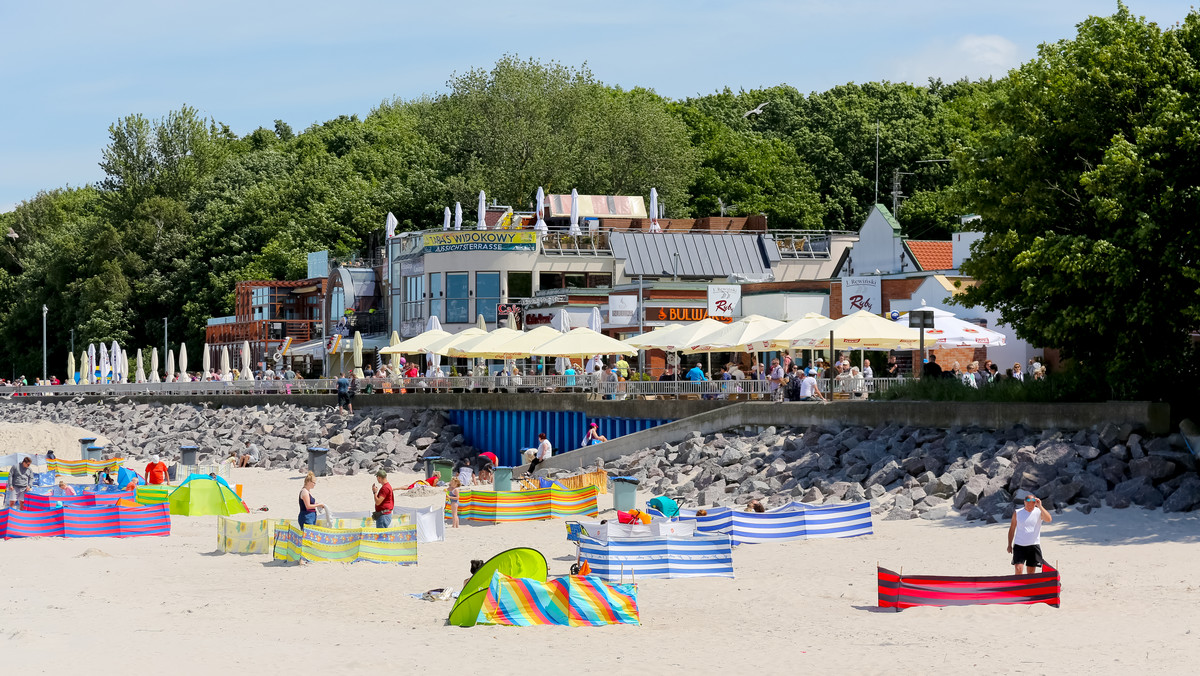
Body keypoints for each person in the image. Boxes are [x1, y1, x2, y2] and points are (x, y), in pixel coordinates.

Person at [1008, 495, 1053, 574]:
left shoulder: (1039, 512)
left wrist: (1040, 506)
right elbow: (1012, 529)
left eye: (1032, 504)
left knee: (1031, 571)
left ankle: (1028, 586)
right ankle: (1018, 586)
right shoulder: (1017, 512)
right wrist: (1009, 544)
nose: (1030, 506)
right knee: (1018, 568)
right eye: (1028, 504)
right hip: (1019, 545)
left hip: (1033, 545)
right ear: (1024, 502)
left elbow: (1049, 519)